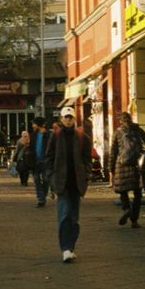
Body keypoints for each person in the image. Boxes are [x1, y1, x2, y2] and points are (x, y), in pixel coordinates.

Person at [44, 105, 92, 263]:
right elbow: (49, 158)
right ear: (61, 119)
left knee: (74, 219)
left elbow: (87, 159)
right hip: (61, 183)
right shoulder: (56, 137)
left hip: (76, 183)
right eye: (66, 117)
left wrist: (86, 174)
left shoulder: (82, 137)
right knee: (64, 215)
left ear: (74, 119)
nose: (68, 120)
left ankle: (71, 246)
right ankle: (65, 248)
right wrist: (51, 177)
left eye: (70, 117)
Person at [109, 111, 145, 228]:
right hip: (137, 165)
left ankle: (127, 208)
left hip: (122, 165)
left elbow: (113, 152)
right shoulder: (138, 130)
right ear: (131, 119)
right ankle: (134, 220)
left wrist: (110, 168)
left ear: (121, 121)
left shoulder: (117, 133)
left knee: (122, 190)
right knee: (138, 193)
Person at [29, 117, 49, 207]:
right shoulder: (33, 135)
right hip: (35, 161)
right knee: (37, 180)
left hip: (45, 161)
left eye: (34, 124)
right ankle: (41, 199)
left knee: (46, 180)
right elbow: (31, 148)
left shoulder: (48, 135)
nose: (33, 125)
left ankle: (43, 195)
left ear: (39, 124)